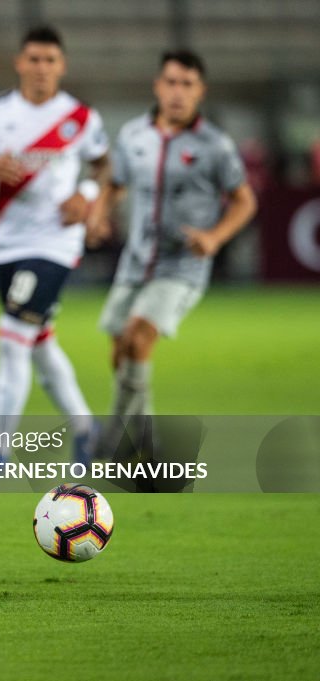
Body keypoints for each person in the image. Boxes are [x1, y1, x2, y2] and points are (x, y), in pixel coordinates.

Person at [0, 26, 110, 465]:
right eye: (33, 59)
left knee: (14, 336)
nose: (41, 68)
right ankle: (86, 428)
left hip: (58, 242)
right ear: (20, 63)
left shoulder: (79, 117)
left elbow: (105, 169)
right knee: (39, 340)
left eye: (50, 60)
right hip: (8, 243)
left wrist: (90, 199)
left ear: (62, 65)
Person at [87, 50, 256, 457]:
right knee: (120, 349)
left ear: (201, 91)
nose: (178, 92)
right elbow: (116, 183)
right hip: (135, 260)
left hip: (182, 264)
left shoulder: (215, 146)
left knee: (138, 336)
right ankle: (137, 439)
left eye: (187, 84)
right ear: (158, 86)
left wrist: (216, 237)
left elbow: (244, 201)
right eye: (172, 82)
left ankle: (125, 442)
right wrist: (98, 214)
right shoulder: (133, 135)